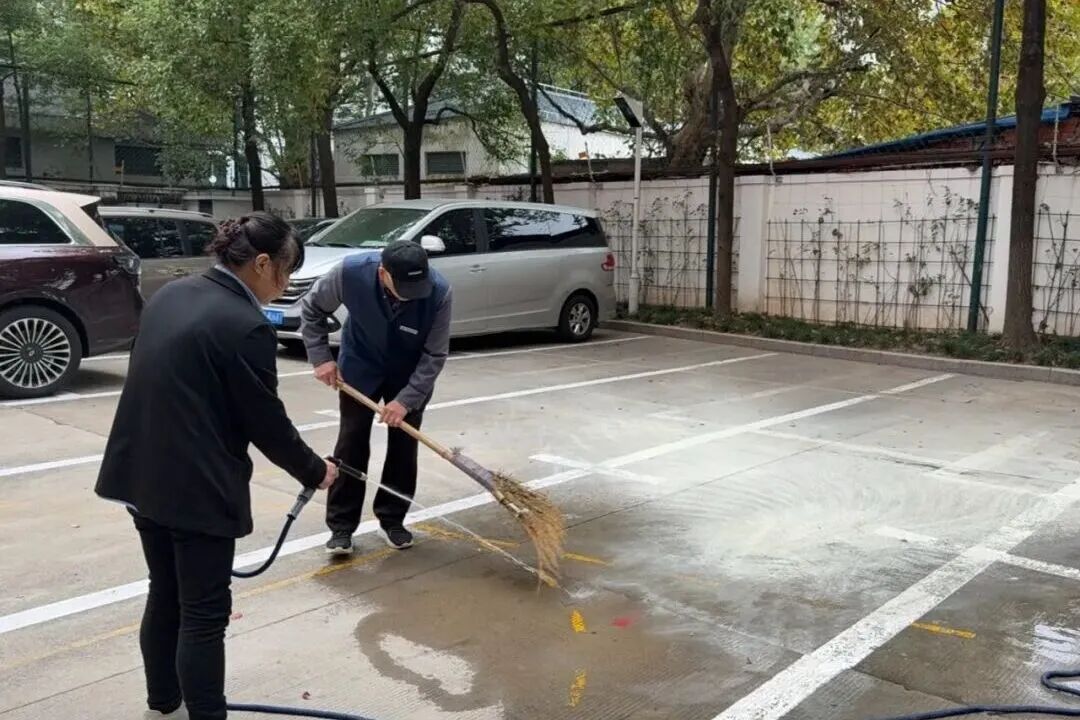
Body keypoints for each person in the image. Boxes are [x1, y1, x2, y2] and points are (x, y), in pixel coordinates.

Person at [95, 213, 338, 720]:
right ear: (263, 263)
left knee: (165, 592)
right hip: (196, 488)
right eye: (286, 271)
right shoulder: (245, 325)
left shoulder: (172, 294)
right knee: (204, 614)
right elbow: (264, 421)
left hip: (141, 473)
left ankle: (164, 701)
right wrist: (315, 471)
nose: (285, 285)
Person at [300, 239, 452, 555]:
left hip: (410, 373)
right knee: (351, 441)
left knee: (404, 445)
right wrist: (321, 357)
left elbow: (435, 354)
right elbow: (312, 309)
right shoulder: (349, 273)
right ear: (383, 273)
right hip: (360, 366)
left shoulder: (439, 292)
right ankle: (341, 527)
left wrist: (406, 400)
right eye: (404, 288)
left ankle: (393, 519)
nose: (412, 296)